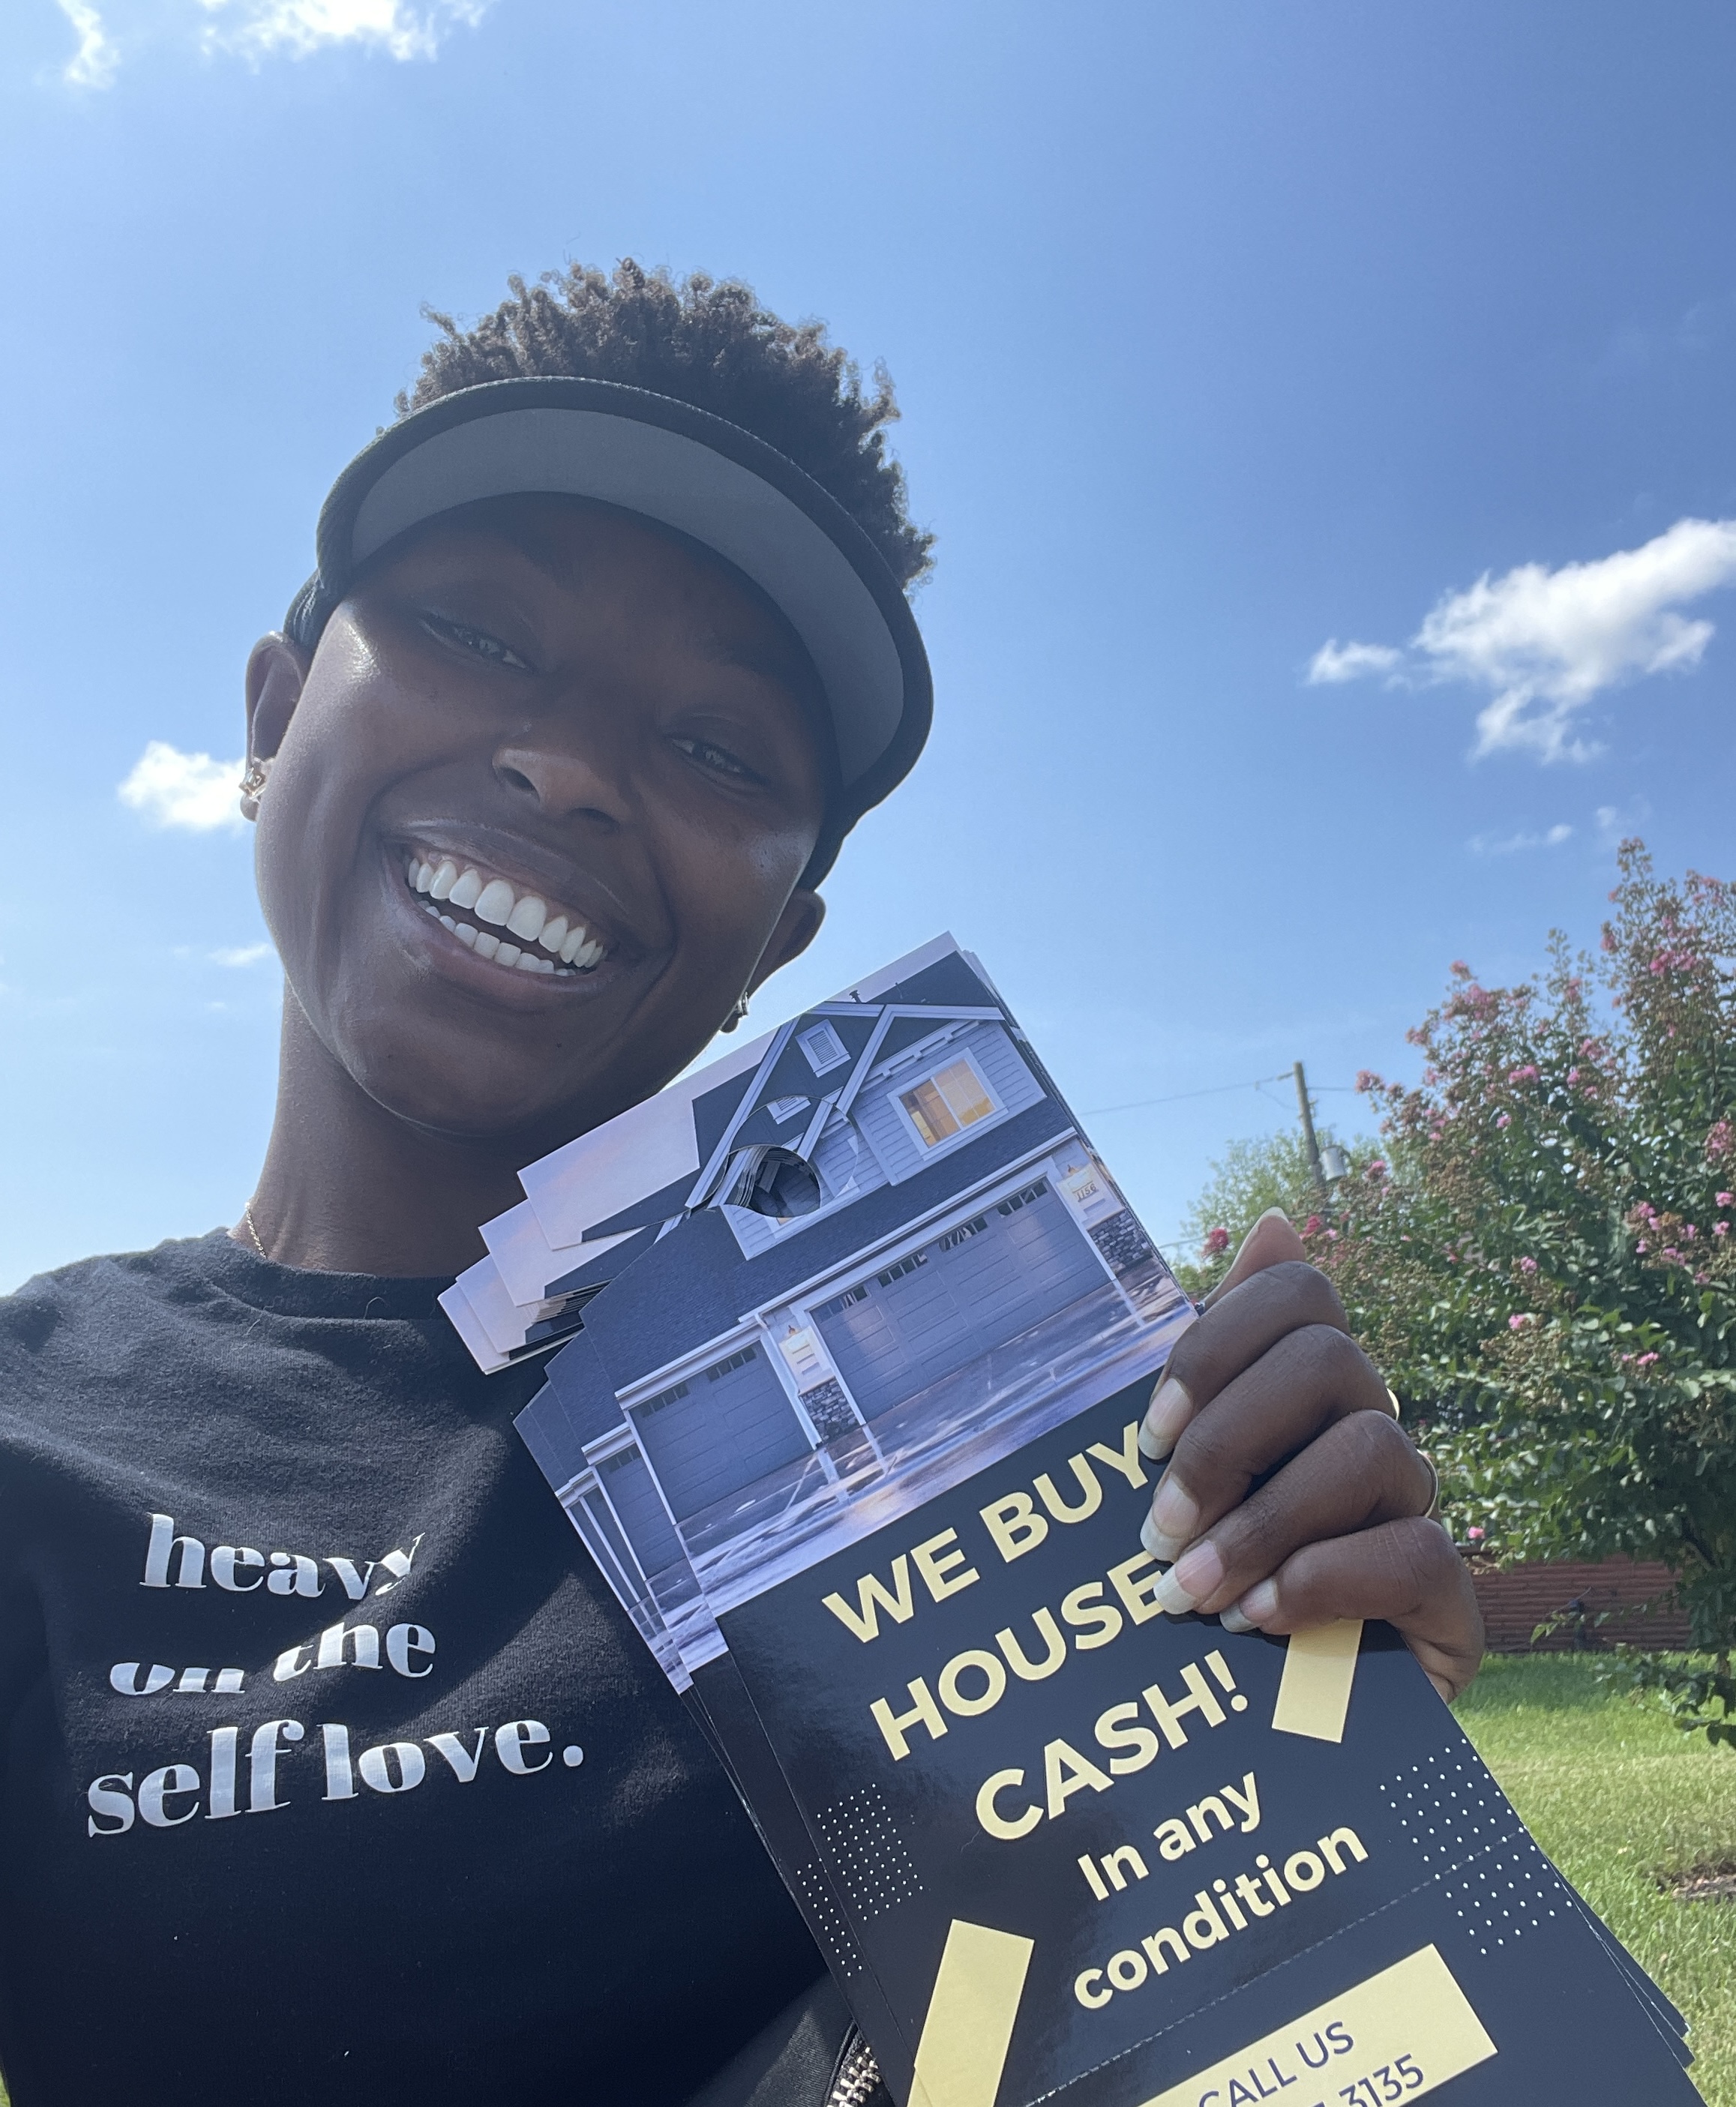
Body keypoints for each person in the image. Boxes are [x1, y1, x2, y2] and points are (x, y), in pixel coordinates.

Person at [0, 261, 1482, 2107]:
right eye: (479, 627)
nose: (571, 765)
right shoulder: (34, 1431)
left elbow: (1181, 2023)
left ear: (787, 930)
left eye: (714, 745)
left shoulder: (1016, 1431)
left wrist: (1336, 1749)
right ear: (273, 711)